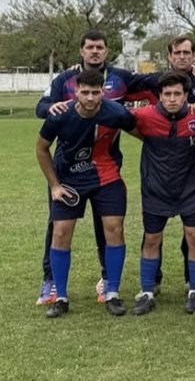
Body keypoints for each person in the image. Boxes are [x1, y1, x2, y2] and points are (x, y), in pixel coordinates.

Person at [34, 30, 148, 305]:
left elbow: (148, 103)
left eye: (99, 47)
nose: (90, 97)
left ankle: (110, 287)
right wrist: (54, 185)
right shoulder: (63, 89)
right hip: (68, 175)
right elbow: (41, 132)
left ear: (107, 51)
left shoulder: (118, 96)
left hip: (106, 173)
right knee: (59, 229)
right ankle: (54, 288)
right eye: (89, 47)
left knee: (110, 228)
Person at [126, 71, 195, 315]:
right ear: (159, 96)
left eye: (177, 94)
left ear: (186, 96)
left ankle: (194, 290)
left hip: (190, 189)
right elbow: (115, 116)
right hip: (155, 189)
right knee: (152, 239)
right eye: (167, 94)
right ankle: (147, 292)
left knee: (193, 237)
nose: (172, 99)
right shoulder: (145, 115)